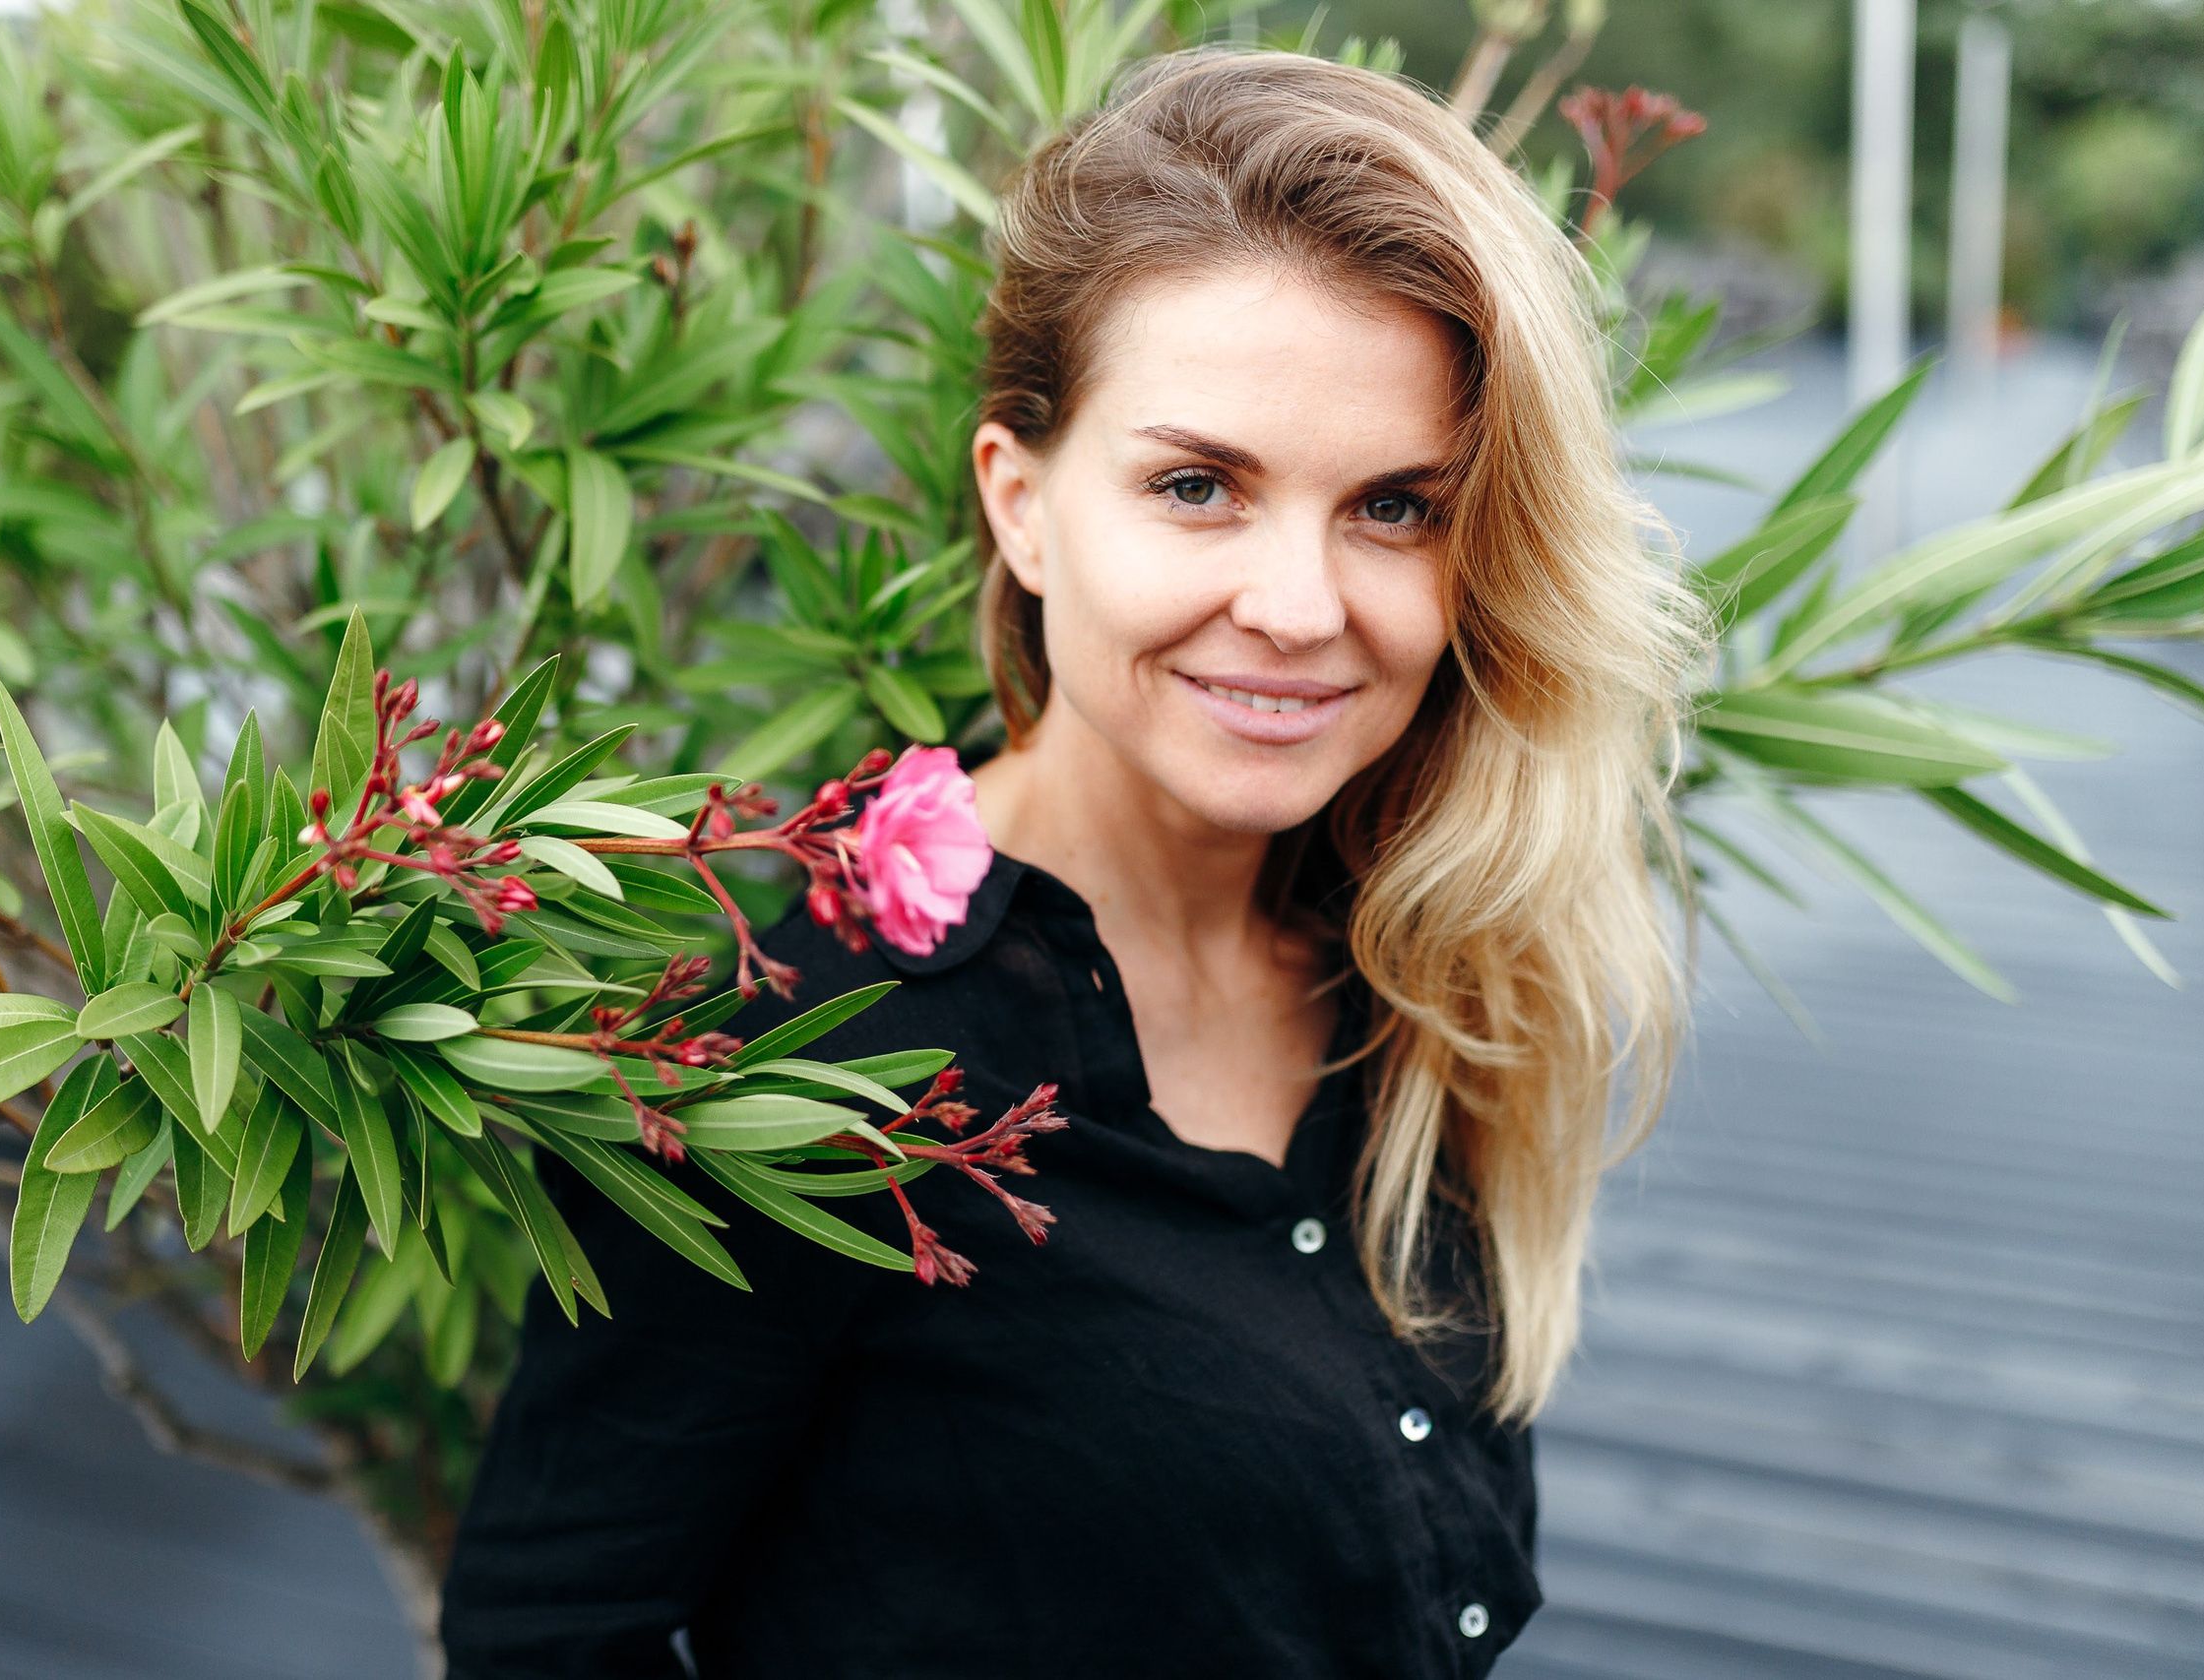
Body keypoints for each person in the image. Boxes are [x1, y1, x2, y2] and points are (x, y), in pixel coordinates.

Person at [441, 47, 1698, 1679]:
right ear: (1023, 507)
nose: (1303, 607)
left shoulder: (1420, 966)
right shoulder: (799, 1067)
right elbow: (550, 1633)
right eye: (1198, 487)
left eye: (1395, 507)